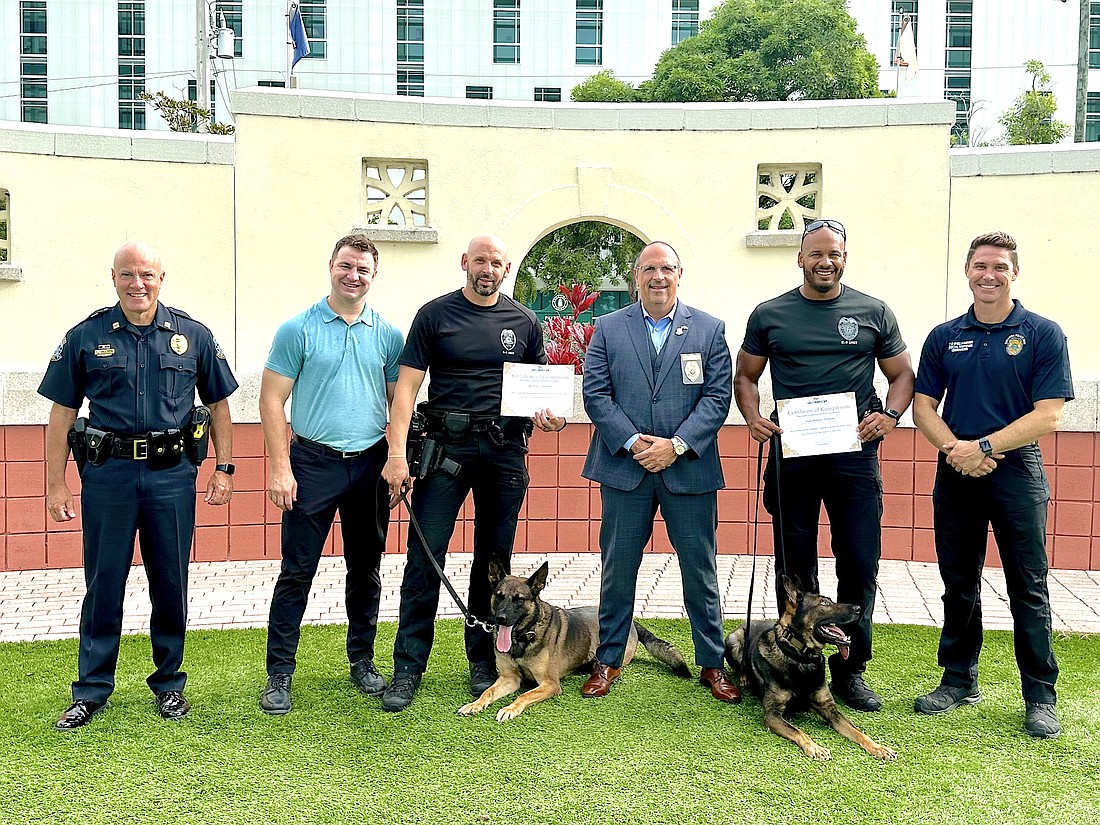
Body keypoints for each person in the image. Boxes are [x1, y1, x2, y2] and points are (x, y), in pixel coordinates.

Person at [40, 241, 237, 730]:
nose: (137, 284)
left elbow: (218, 406)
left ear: (162, 278)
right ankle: (90, 691)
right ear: (113, 278)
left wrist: (224, 468)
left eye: (146, 274)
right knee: (103, 583)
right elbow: (61, 413)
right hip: (109, 476)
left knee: (170, 582)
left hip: (173, 477)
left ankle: (169, 685)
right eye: (127, 275)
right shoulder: (86, 337)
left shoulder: (193, 336)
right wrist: (55, 485)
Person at [733, 218, 914, 713]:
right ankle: (793, 664)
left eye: (833, 254)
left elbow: (901, 375)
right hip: (793, 454)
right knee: (795, 566)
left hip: (854, 454)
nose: (824, 262)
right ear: (800, 258)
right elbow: (745, 376)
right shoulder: (770, 314)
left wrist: (890, 416)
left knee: (858, 560)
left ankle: (851, 670)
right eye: (815, 254)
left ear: (844, 258)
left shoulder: (873, 311)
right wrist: (751, 418)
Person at [380, 234, 565, 712]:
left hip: (504, 452)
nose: (488, 269)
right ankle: (407, 669)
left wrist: (553, 417)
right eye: (480, 260)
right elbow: (406, 389)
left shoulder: (524, 321)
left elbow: (543, 390)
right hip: (446, 450)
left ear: (507, 270)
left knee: (495, 563)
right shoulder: (434, 315)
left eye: (497, 263)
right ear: (465, 262)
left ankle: (485, 660)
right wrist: (396, 453)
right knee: (424, 559)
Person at [911, 231, 1072, 739]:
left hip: (1015, 471)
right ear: (967, 271)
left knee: (1028, 585)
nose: (989, 275)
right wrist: (956, 451)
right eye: (981, 266)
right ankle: (958, 680)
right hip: (955, 468)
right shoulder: (944, 336)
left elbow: (1048, 416)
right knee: (959, 583)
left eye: (999, 267)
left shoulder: (1043, 334)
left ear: (1014, 273)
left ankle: (1040, 696)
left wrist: (980, 447)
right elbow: (921, 407)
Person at [580, 240, 740, 703]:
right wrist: (634, 443)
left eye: (666, 268)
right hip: (624, 469)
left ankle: (712, 664)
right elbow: (597, 394)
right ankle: (608, 660)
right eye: (648, 269)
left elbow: (717, 397)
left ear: (679, 273)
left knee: (701, 572)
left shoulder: (709, 330)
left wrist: (675, 445)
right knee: (618, 570)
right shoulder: (608, 328)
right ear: (636, 276)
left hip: (687, 469)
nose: (657, 277)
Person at [257, 234, 404, 715]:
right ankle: (279, 673)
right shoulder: (297, 329)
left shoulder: (387, 334)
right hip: (312, 465)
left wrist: (397, 458)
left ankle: (362, 660)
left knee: (366, 570)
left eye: (362, 269)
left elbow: (397, 402)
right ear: (331, 267)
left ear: (373, 275)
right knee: (296, 571)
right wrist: (280, 467)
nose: (353, 275)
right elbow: (271, 400)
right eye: (346, 266)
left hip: (369, 464)